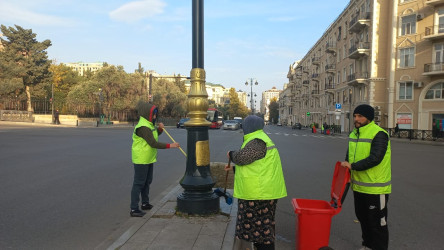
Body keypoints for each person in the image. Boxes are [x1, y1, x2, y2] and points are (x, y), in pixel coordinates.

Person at [225, 115, 287, 250]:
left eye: (245, 125)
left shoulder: (257, 141)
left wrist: (231, 154)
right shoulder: (258, 139)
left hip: (259, 194)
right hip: (263, 191)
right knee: (261, 229)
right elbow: (258, 167)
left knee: (260, 230)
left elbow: (243, 157)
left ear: (249, 127)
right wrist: (234, 169)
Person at [341, 104, 391, 250]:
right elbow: (348, 157)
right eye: (355, 116)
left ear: (368, 118)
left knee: (377, 223)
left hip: (376, 188)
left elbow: (376, 158)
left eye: (360, 116)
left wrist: (353, 166)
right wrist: (347, 172)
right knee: (363, 219)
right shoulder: (354, 134)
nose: (356, 119)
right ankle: (367, 245)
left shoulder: (379, 134)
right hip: (359, 187)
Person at [130, 101, 180, 217]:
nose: (154, 117)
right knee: (139, 183)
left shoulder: (149, 124)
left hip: (148, 158)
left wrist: (160, 130)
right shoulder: (143, 127)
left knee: (147, 182)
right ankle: (133, 208)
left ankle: (145, 203)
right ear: (147, 113)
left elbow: (154, 135)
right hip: (141, 159)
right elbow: (152, 142)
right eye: (153, 114)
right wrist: (170, 145)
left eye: (155, 114)